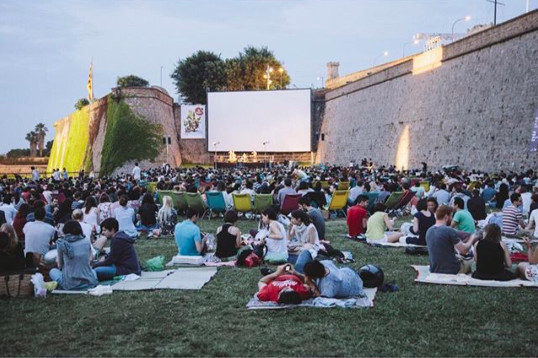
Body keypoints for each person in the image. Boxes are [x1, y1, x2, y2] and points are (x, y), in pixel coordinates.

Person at [426, 205, 479, 274]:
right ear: (446, 217)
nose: (452, 219)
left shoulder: (429, 230)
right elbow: (464, 250)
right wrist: (472, 238)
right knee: (473, 261)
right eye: (451, 216)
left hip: (434, 269)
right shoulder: (449, 230)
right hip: (452, 269)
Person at [49, 220, 98, 290]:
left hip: (70, 284)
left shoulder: (62, 244)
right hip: (89, 282)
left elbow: (60, 265)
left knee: (53, 271)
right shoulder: (86, 241)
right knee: (93, 271)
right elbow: (91, 258)